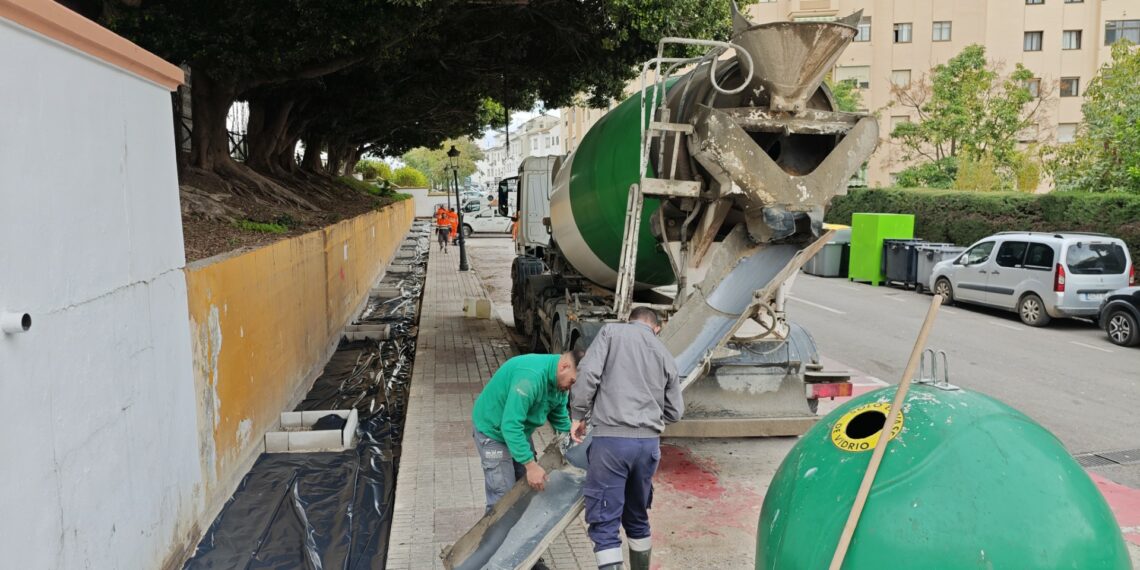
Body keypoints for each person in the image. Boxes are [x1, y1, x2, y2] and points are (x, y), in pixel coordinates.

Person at [570, 307, 683, 570]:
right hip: (648, 447)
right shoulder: (662, 350)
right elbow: (675, 411)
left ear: (629, 320)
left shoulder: (611, 332)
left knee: (605, 521)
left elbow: (588, 374)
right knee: (637, 516)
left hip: (611, 444)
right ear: (656, 327)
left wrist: (578, 414)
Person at [471, 350, 584, 570]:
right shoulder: (530, 377)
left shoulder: (559, 383)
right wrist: (530, 465)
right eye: (572, 382)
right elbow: (509, 425)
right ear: (564, 367)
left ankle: (521, 553)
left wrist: (569, 436)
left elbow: (559, 412)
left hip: (517, 432)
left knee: (526, 493)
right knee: (502, 499)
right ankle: (495, 562)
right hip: (493, 431)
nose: (570, 387)